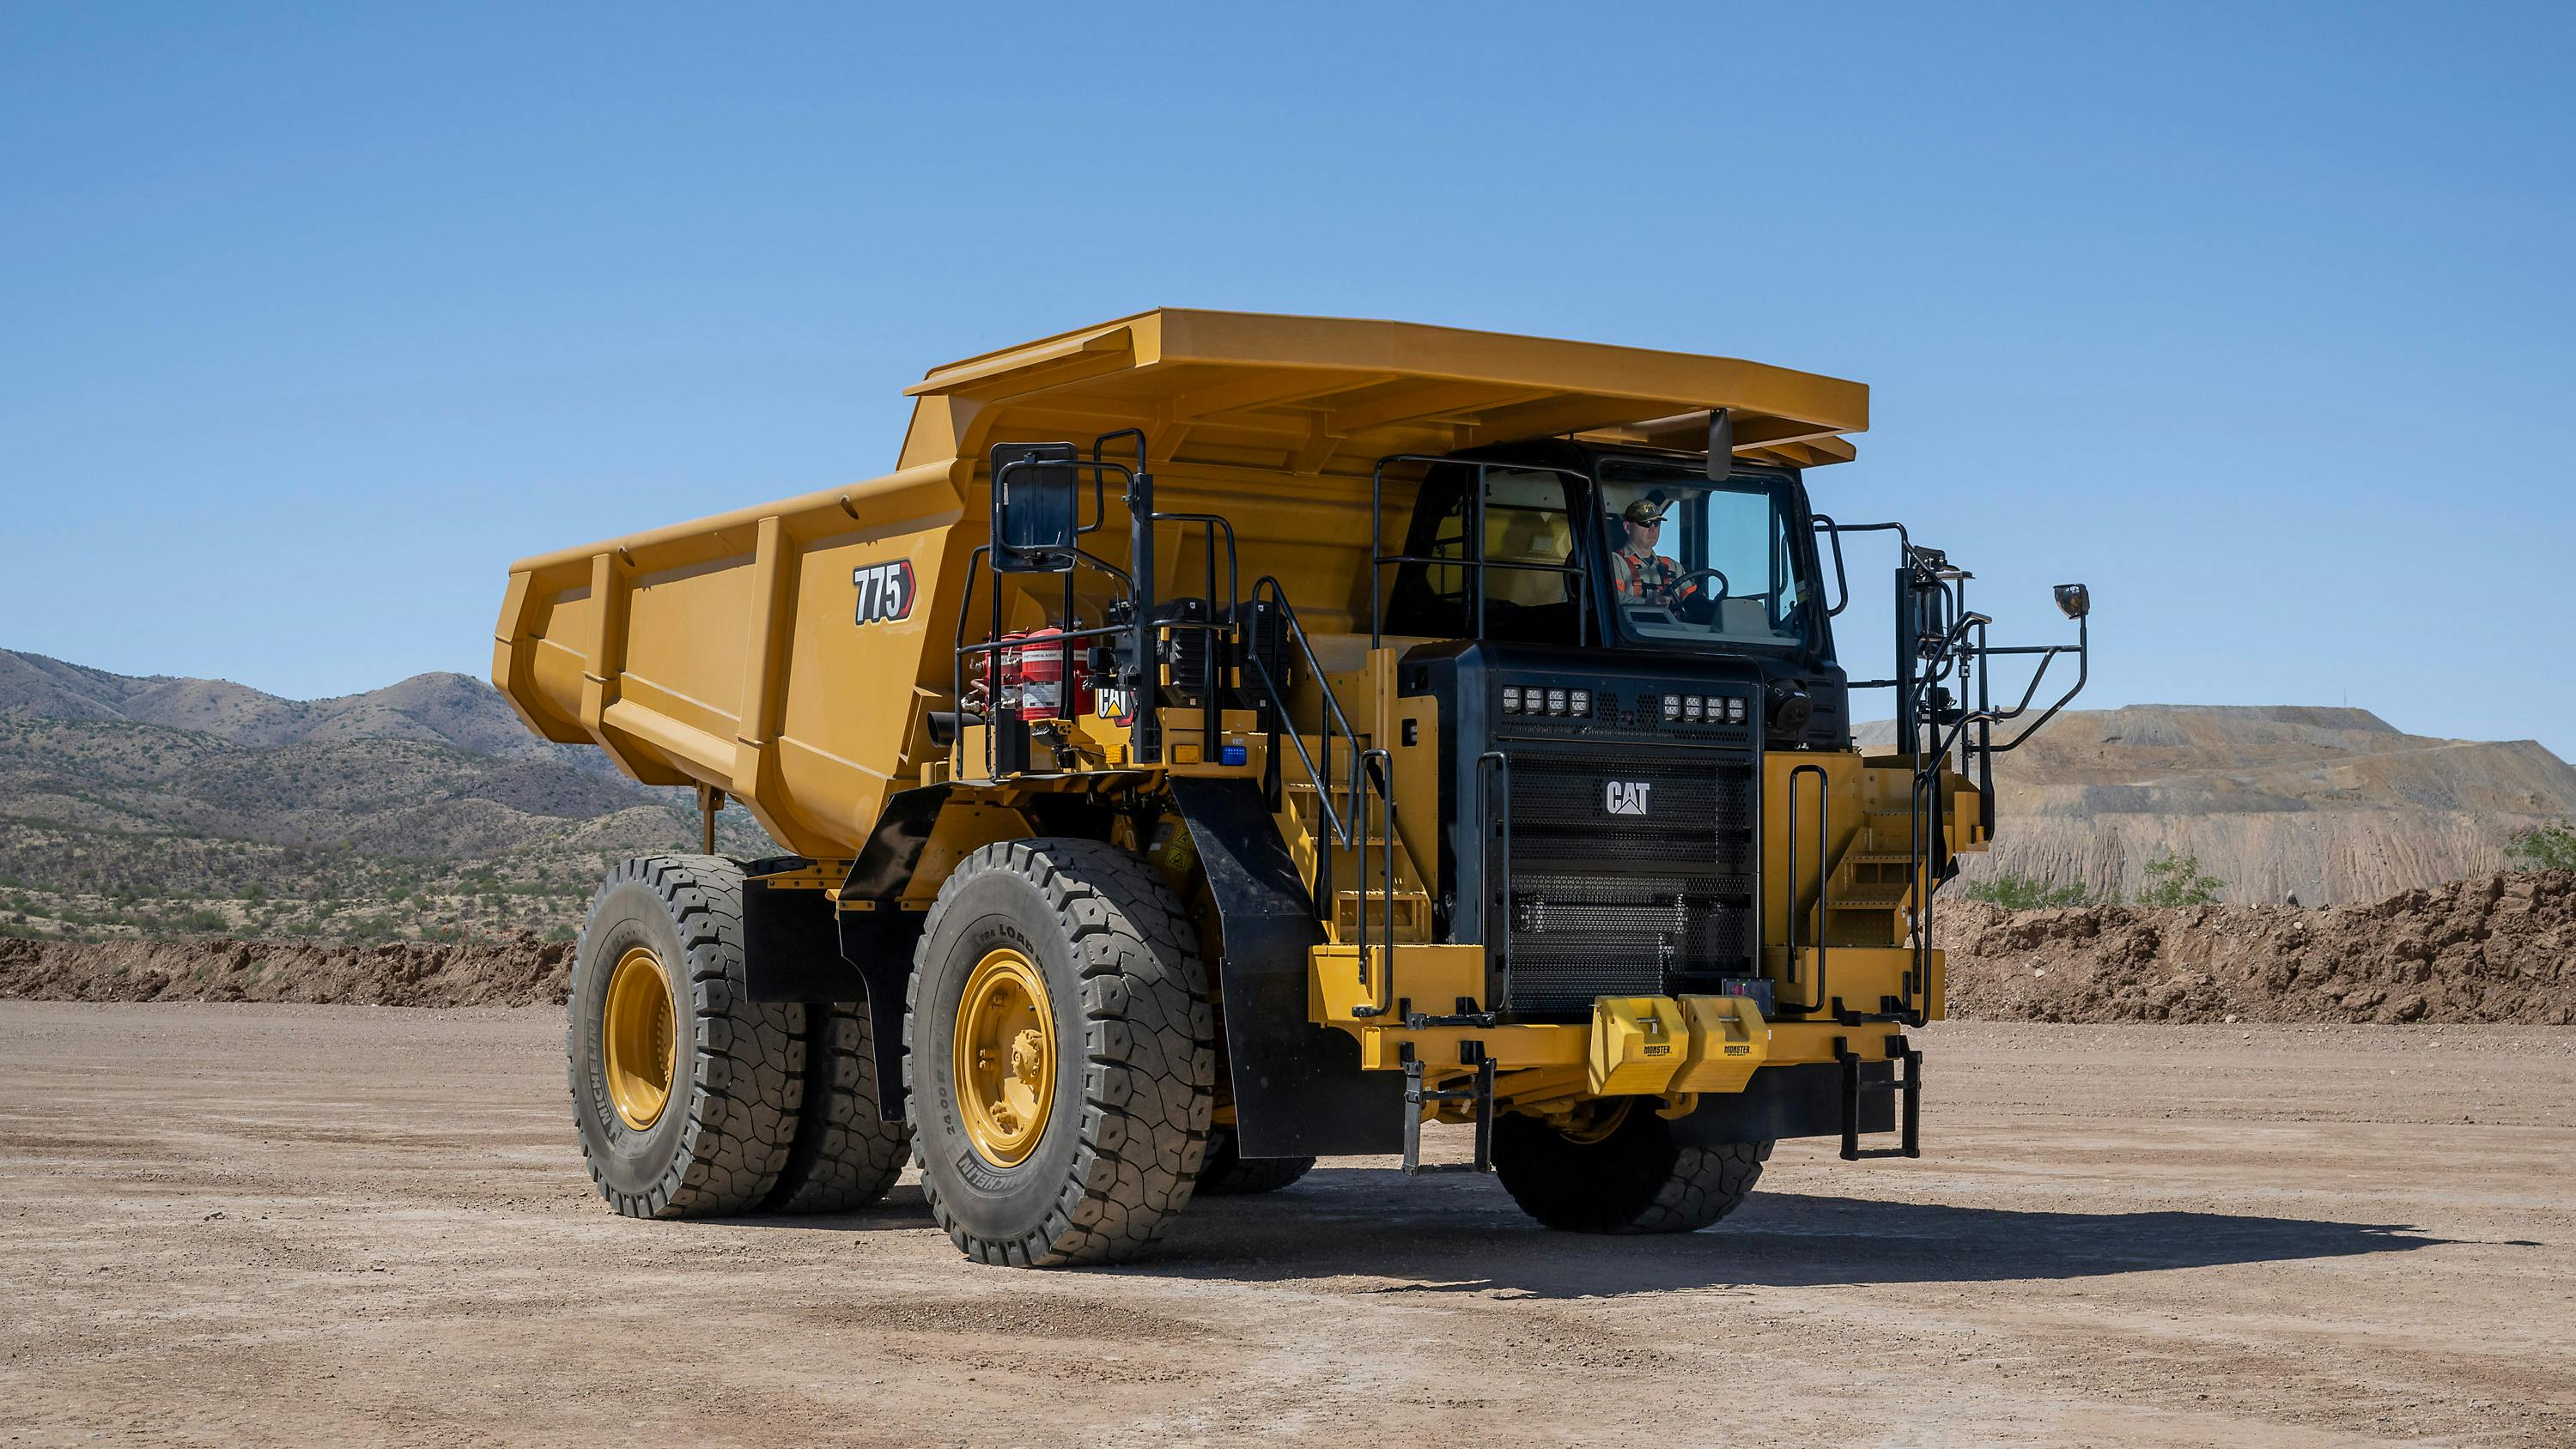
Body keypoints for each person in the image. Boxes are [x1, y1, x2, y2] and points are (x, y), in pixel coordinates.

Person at [1607, 497, 1699, 612]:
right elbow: (1611, 598)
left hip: (1672, 624)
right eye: (1646, 523)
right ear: (1627, 527)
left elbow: (1692, 600)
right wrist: (1646, 603)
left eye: (1656, 523)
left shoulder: (1673, 567)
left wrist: (1711, 606)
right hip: (1630, 624)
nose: (1652, 528)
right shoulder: (1614, 561)